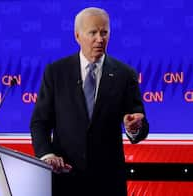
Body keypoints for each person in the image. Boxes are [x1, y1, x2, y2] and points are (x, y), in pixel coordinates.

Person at [30, 7, 149, 196]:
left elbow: (140, 123)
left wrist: (134, 128)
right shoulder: (56, 72)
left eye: (104, 32)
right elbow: (40, 122)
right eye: (93, 32)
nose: (100, 39)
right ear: (77, 36)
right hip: (66, 179)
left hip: (108, 182)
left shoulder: (125, 74)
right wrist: (47, 155)